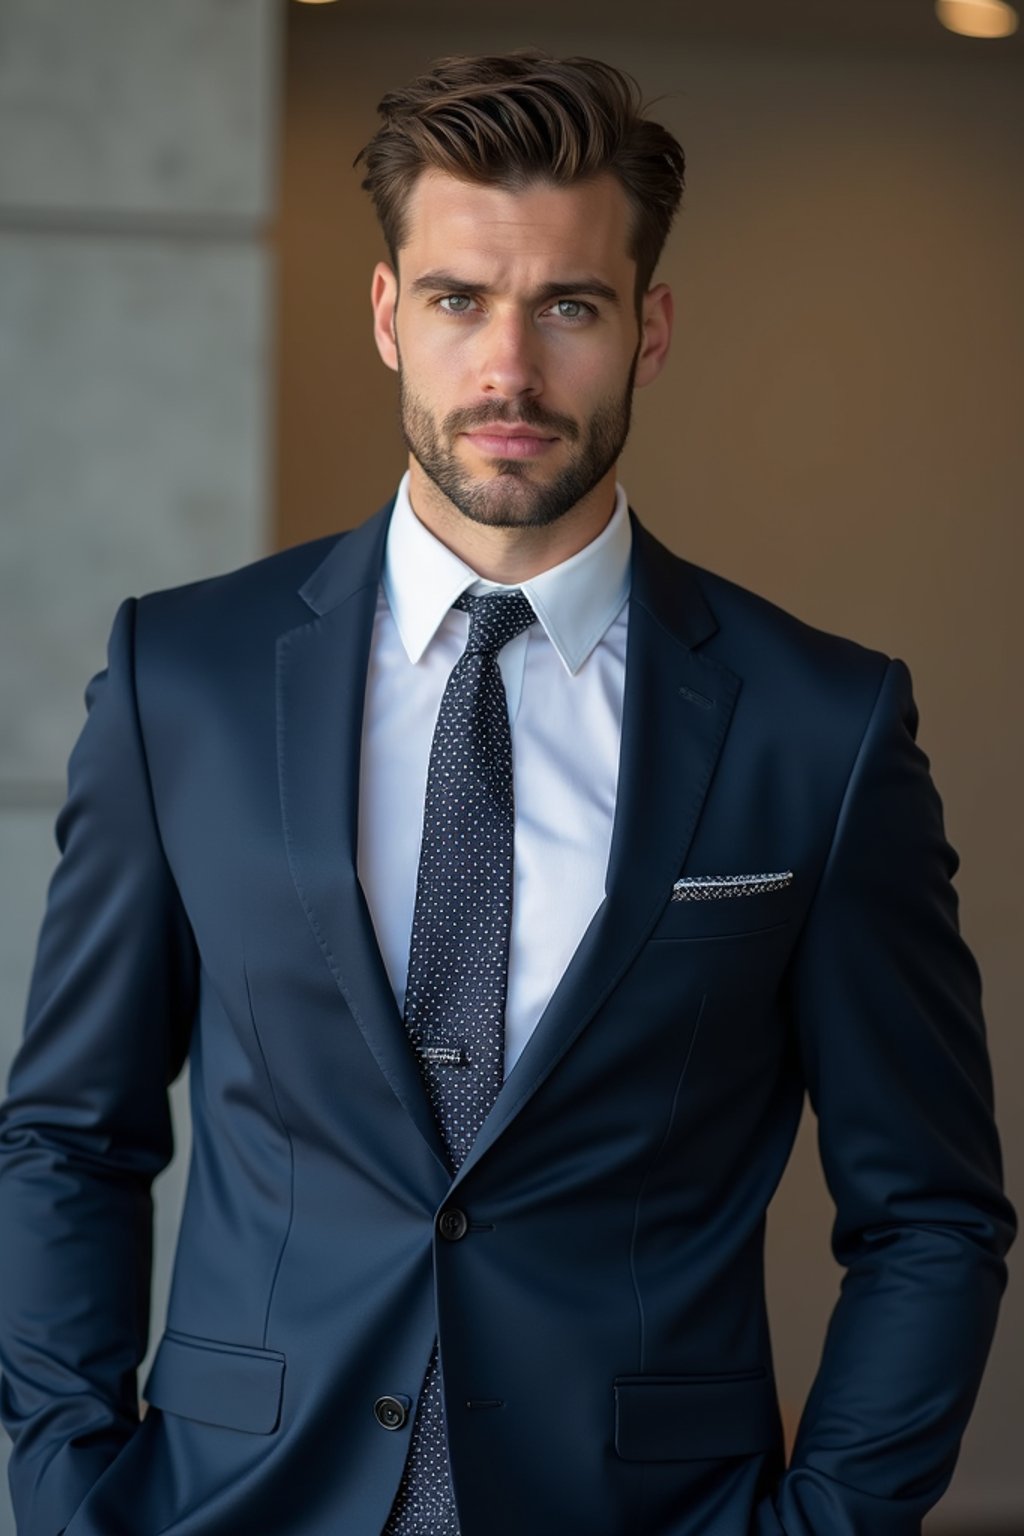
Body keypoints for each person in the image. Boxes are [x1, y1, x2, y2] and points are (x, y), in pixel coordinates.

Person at [0, 50, 1014, 1536]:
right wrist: (71, 1492)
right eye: (460, 299)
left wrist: (830, 1526)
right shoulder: (185, 679)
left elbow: (931, 1209)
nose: (511, 371)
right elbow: (69, 1135)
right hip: (230, 1502)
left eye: (572, 307)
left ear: (649, 328)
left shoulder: (823, 725)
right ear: (386, 315)